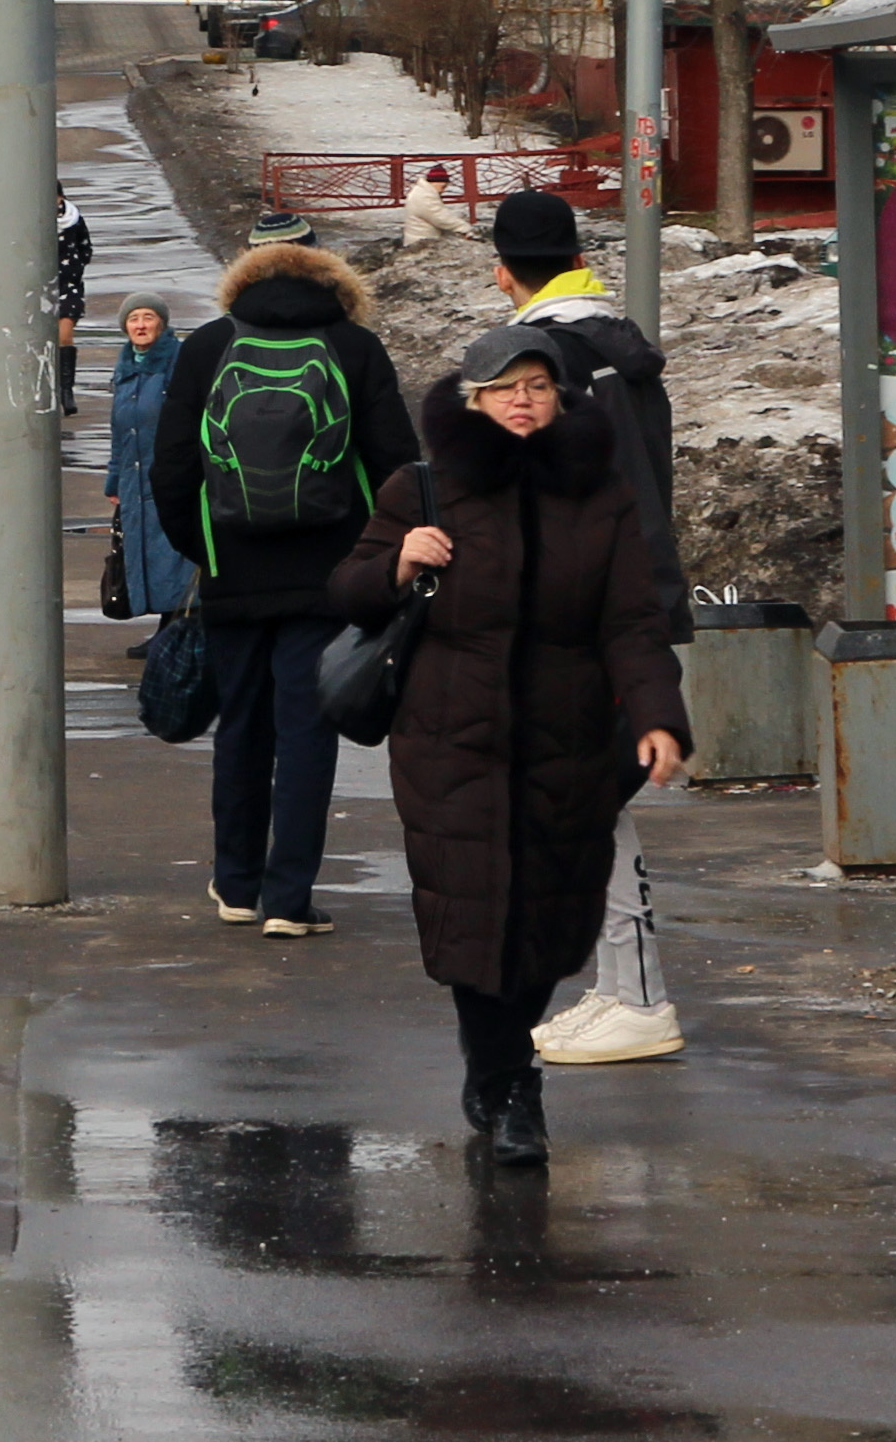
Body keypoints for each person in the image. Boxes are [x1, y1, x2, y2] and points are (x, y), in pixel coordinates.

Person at [336, 327, 693, 1168]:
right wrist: (398, 562)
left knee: (547, 912)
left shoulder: (598, 496)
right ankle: (510, 1084)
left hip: (565, 737)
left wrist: (657, 717)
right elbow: (345, 592)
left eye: (538, 385)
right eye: (505, 387)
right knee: (473, 911)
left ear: (562, 398)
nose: (523, 400)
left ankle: (501, 1064)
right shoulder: (420, 491)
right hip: (449, 737)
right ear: (473, 401)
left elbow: (633, 623)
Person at [149, 232, 423, 937]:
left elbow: (172, 468)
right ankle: (290, 898)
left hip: (232, 572)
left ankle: (235, 884)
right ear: (334, 287)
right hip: (330, 573)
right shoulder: (355, 348)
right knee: (307, 729)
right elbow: (397, 464)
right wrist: (375, 562)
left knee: (240, 725)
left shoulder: (209, 347)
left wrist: (204, 549)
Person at [485, 184, 687, 1065]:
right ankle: (620, 986)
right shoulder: (619, 352)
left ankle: (639, 996)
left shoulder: (541, 363)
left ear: (503, 273)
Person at [102, 300, 197, 619]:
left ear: (163, 323)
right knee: (144, 552)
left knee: (172, 553)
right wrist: (114, 480)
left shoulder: (178, 361)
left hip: (169, 477)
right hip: (134, 479)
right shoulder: (126, 366)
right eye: (133, 319)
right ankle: (164, 624)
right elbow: (119, 430)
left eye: (148, 317)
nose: (140, 325)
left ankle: (176, 624)